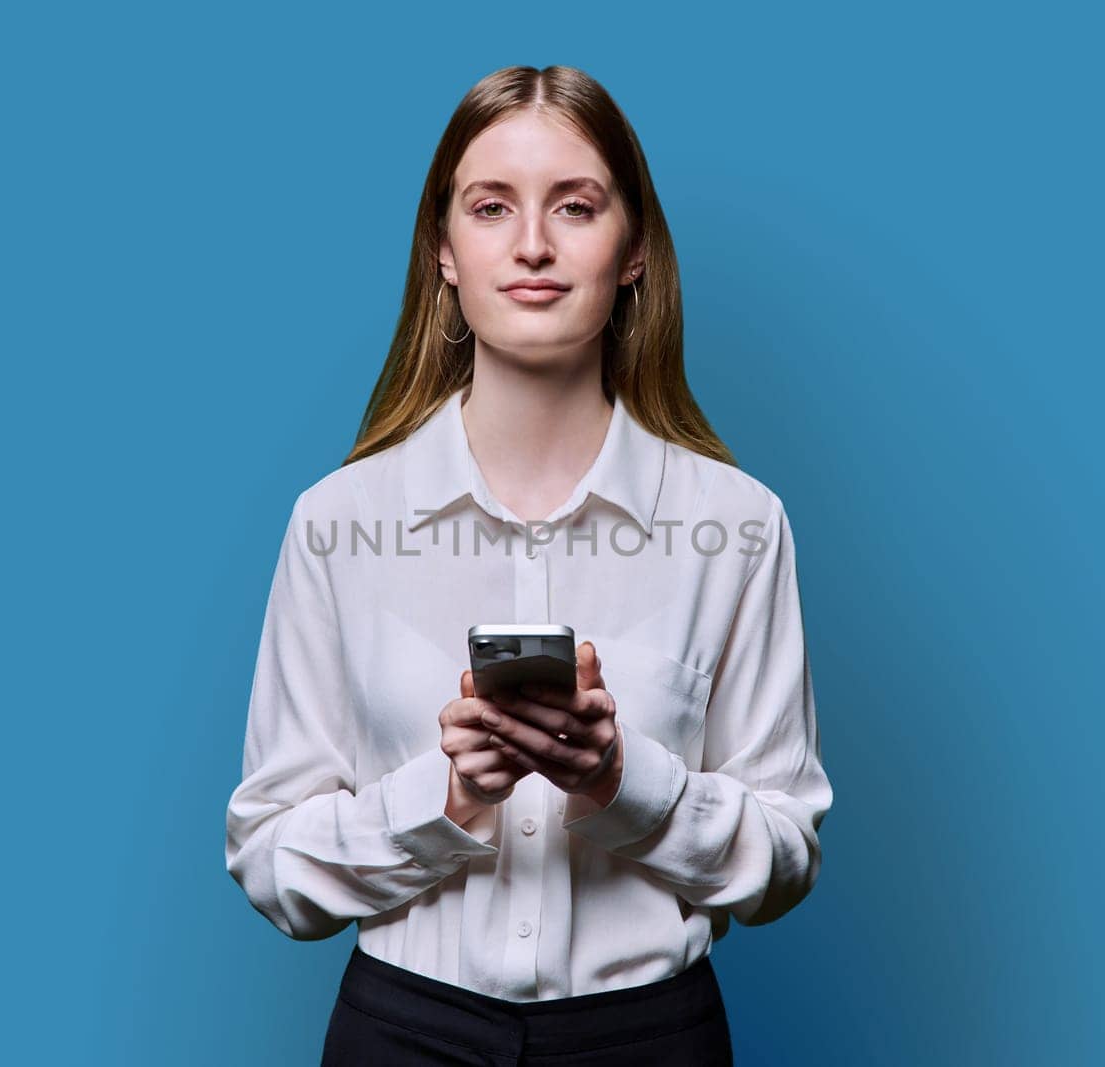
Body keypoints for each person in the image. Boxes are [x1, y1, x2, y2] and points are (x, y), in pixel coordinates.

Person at [224, 64, 833, 1066]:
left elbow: (782, 858)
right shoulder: (336, 523)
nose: (534, 244)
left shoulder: (739, 524)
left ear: (631, 251)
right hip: (403, 1030)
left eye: (576, 206)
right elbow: (271, 858)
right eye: (492, 205)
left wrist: (619, 778)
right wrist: (450, 795)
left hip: (648, 1033)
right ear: (443, 251)